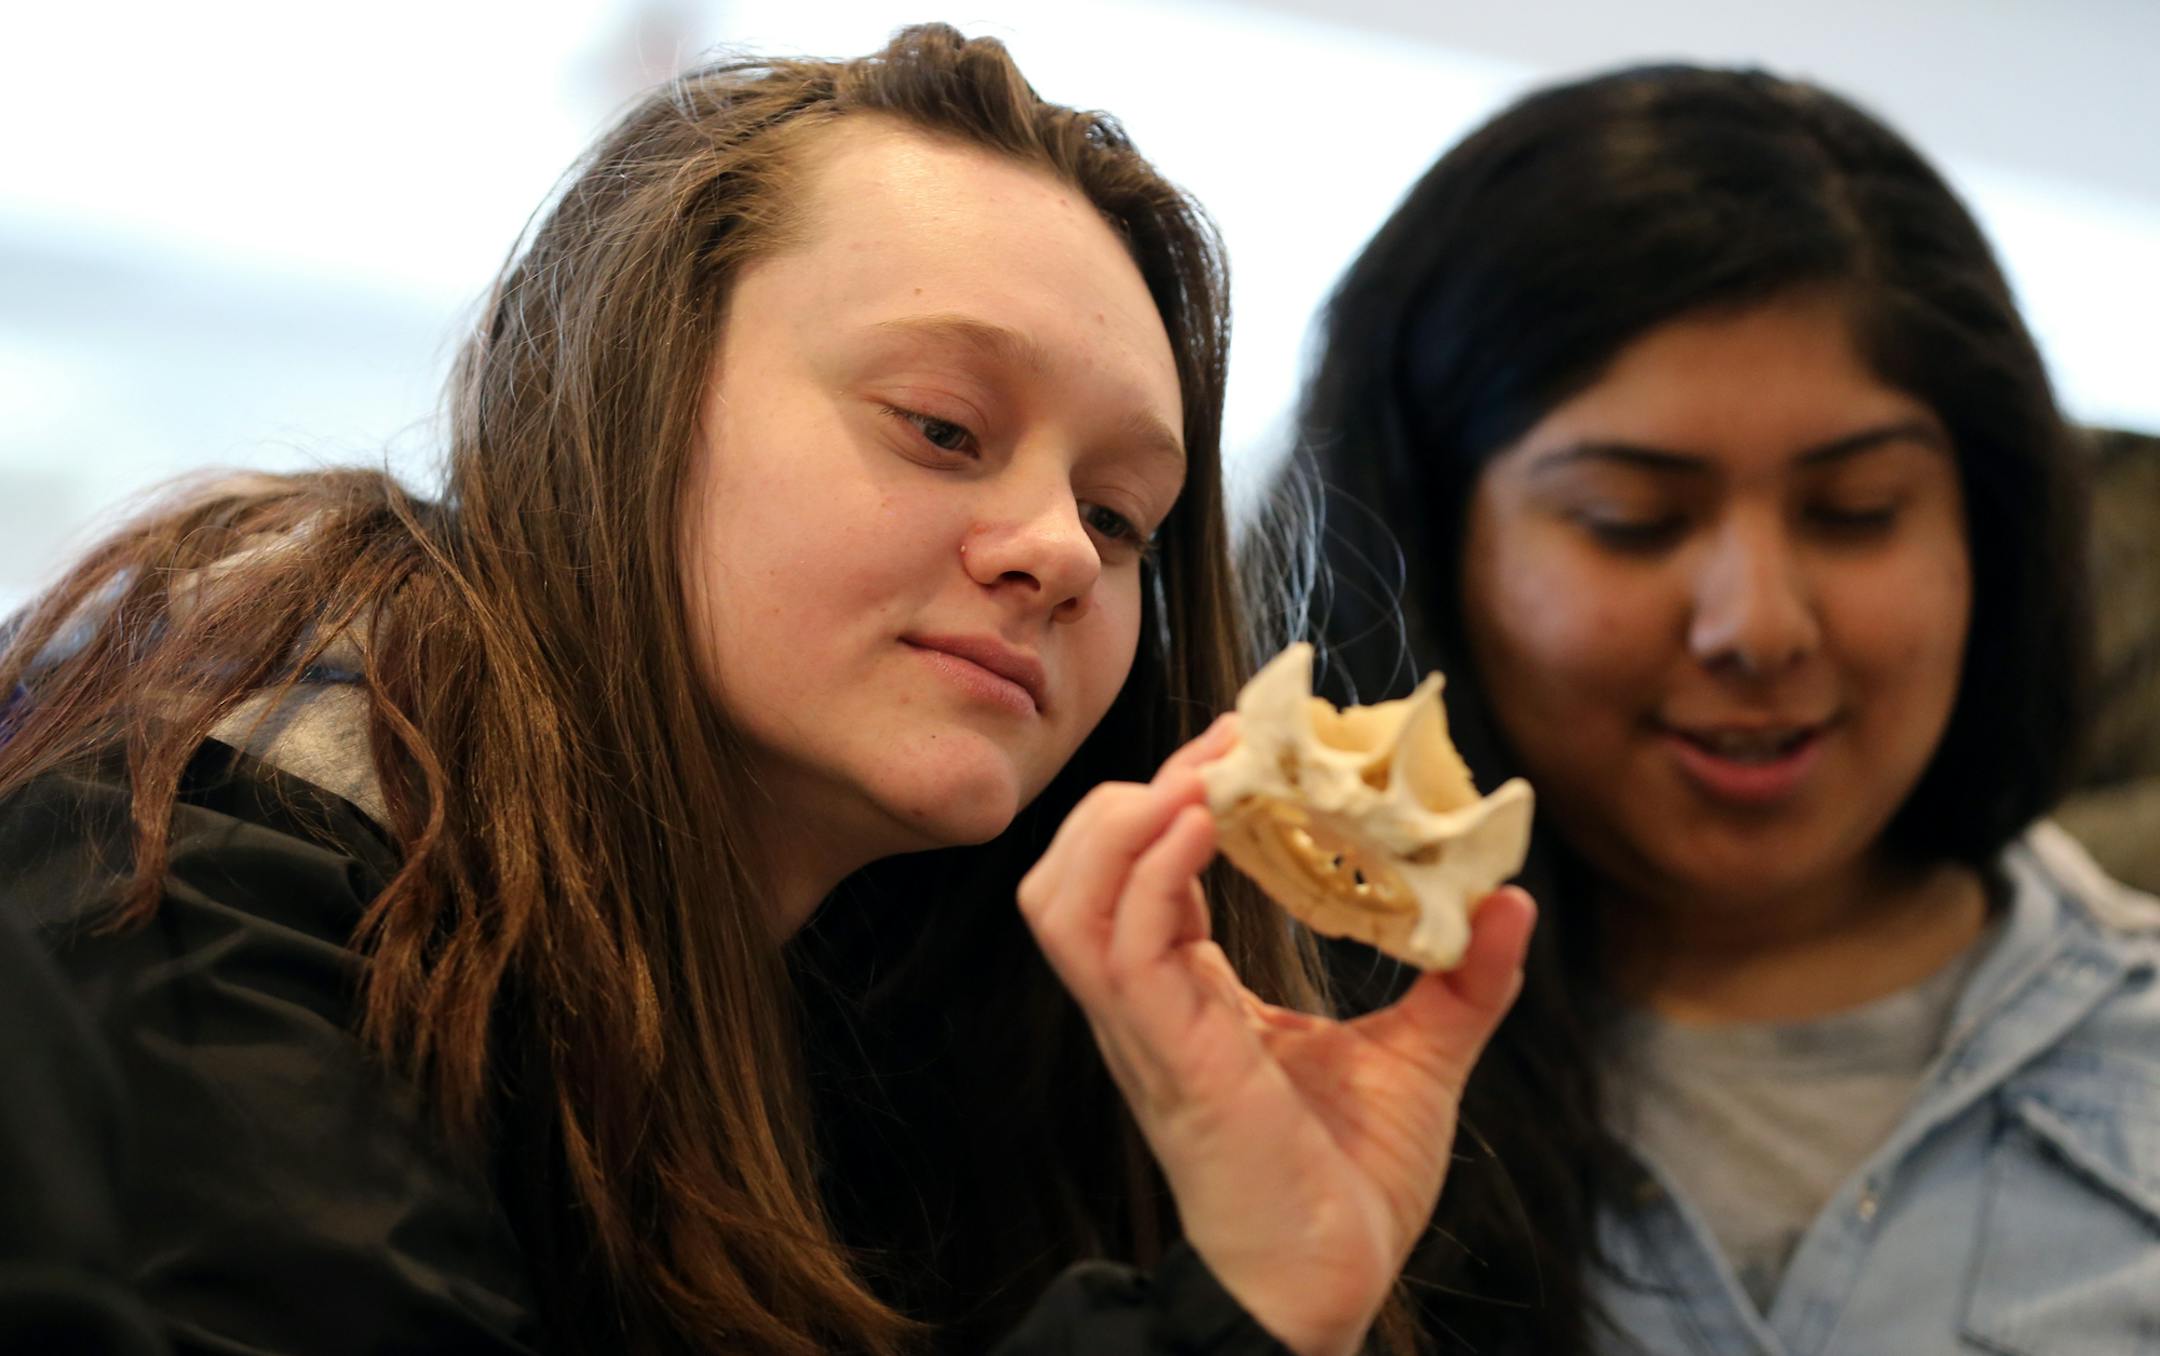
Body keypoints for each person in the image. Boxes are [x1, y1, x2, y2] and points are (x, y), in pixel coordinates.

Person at [0, 25, 1535, 1356]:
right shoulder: (205, 883)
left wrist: (1275, 1265)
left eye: (1124, 515)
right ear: (621, 396)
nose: (1062, 549)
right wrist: (1227, 1319)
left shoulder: (926, 1000)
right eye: (942, 427)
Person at [1290, 62, 2160, 1356]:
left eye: (1855, 512)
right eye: (1631, 523)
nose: (1756, 624)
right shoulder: (1247, 1049)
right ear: (1423, 544)